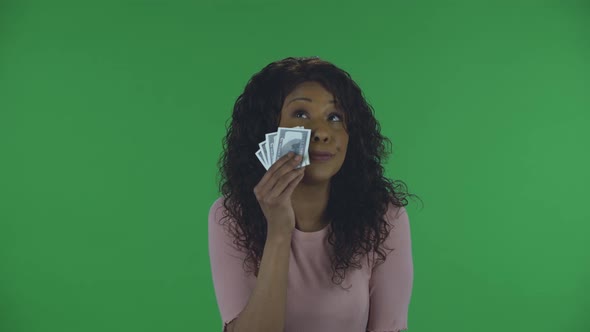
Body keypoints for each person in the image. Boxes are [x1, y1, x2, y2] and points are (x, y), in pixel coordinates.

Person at [208, 56, 420, 332]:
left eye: (334, 117)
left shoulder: (385, 217)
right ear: (268, 130)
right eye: (301, 114)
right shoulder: (230, 216)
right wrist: (279, 231)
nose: (321, 132)